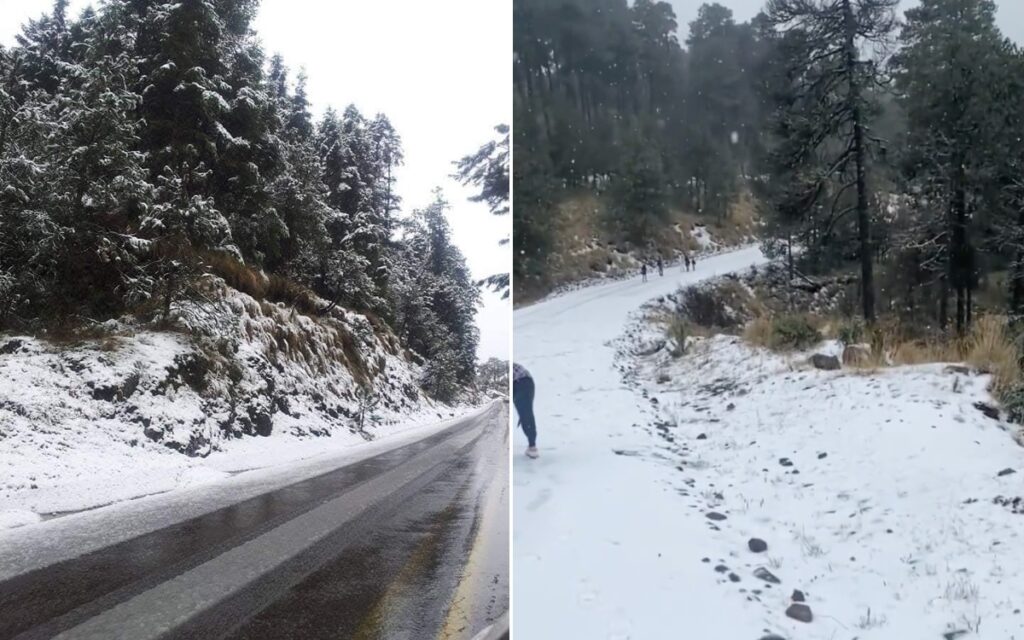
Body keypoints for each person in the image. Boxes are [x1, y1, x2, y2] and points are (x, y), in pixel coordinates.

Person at [512, 363, 539, 458]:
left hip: (520, 382)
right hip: (526, 382)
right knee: (525, 413)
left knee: (525, 414)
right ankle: (532, 446)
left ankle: (532, 447)